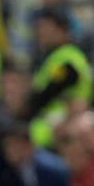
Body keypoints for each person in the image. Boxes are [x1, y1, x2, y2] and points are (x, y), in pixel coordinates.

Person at [24, 9, 92, 149]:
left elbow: (46, 94)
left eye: (46, 27)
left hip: (62, 132)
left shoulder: (68, 57)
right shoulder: (52, 57)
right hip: (47, 130)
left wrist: (27, 105)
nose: (40, 32)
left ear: (62, 30)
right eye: (39, 27)